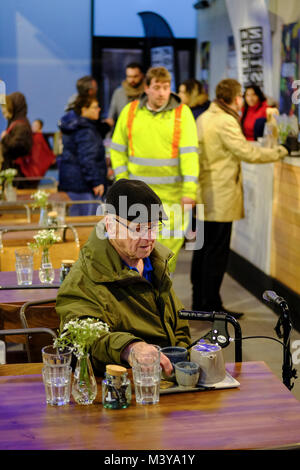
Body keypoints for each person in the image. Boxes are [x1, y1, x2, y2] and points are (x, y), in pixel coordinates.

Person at [55, 179, 191, 375]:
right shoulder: (85, 278)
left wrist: (182, 359)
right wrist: (129, 348)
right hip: (125, 381)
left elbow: (178, 324)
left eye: (154, 227)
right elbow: (84, 338)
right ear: (110, 225)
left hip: (167, 377)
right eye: (138, 229)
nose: (149, 237)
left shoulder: (157, 262)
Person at [191, 78, 288, 318]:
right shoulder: (225, 121)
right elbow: (246, 151)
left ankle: (200, 302)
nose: (242, 101)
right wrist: (280, 151)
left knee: (202, 249)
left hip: (204, 192)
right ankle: (212, 305)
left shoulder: (204, 117)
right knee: (216, 252)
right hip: (220, 194)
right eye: (240, 96)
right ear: (234, 98)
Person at [110, 66, 199, 273]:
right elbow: (117, 150)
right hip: (136, 198)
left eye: (166, 87)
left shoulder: (182, 113)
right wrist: (123, 184)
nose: (162, 92)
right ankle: (140, 299)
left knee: (166, 256)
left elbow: (190, 154)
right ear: (146, 88)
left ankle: (161, 298)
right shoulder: (130, 111)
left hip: (172, 199)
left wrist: (189, 192)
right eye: (157, 87)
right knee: (134, 254)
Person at [58, 94, 107, 216]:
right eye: (95, 107)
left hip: (72, 183)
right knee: (87, 224)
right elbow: (87, 159)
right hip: (83, 185)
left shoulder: (73, 126)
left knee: (76, 220)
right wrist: (96, 181)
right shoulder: (85, 130)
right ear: (84, 110)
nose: (99, 109)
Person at [0, 92, 32, 173]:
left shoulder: (21, 125)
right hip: (10, 167)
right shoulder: (15, 123)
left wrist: (5, 137)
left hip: (16, 170)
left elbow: (18, 146)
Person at [107, 62, 144, 127]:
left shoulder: (147, 93)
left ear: (141, 75)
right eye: (129, 76)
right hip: (123, 132)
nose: (132, 80)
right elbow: (111, 117)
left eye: (135, 76)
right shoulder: (119, 93)